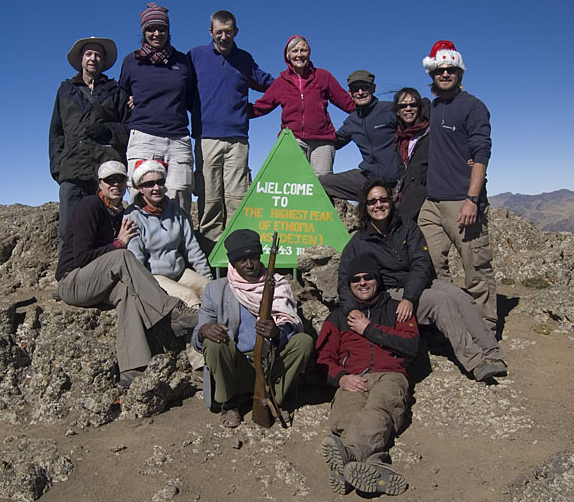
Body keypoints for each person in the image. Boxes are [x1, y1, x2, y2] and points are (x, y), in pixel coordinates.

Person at [339, 178, 507, 382]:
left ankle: (492, 353)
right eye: (372, 202)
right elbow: (344, 278)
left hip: (414, 287)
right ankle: (476, 362)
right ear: (365, 207)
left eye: (383, 199)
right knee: (440, 302)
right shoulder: (359, 242)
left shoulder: (407, 227)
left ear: (391, 201)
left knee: (459, 296)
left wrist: (410, 297)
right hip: (391, 294)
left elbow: (421, 263)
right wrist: (351, 309)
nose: (378, 205)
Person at [55, 161, 198, 388]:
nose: (115, 184)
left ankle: (132, 368)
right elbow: (82, 258)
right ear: (99, 184)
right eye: (109, 180)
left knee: (126, 292)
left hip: (97, 283)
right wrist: (118, 243)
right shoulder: (89, 206)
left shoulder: (118, 212)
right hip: (73, 281)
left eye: (120, 179)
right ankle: (173, 311)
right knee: (122, 256)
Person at [317, 254, 417, 496]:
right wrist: (341, 378)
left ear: (377, 280)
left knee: (379, 410)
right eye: (355, 279)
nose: (362, 283)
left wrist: (369, 329)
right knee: (347, 418)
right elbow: (322, 359)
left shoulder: (397, 310)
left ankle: (348, 456)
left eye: (368, 277)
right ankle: (374, 465)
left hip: (389, 375)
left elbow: (411, 345)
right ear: (349, 285)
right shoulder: (338, 317)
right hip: (352, 379)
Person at [192, 229, 313, 428]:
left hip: (271, 363)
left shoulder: (279, 285)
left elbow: (291, 327)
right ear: (232, 262)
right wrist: (205, 330)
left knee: (304, 341)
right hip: (236, 367)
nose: (250, 265)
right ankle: (230, 403)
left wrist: (277, 333)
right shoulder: (216, 290)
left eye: (254, 258)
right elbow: (197, 337)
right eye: (243, 260)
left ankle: (275, 399)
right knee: (213, 344)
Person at [418, 40, 497, 335]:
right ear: (433, 74)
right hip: (433, 202)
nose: (446, 74)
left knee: (475, 266)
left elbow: (481, 153)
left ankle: (485, 327)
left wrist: (472, 199)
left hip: (461, 201)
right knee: (430, 263)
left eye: (451, 69)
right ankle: (450, 322)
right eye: (440, 69)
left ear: (460, 73)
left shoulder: (473, 107)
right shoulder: (435, 107)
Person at [188, 10, 274, 251]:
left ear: (236, 32)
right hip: (206, 137)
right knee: (210, 198)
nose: (223, 37)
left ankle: (239, 252)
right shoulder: (195, 56)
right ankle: (210, 252)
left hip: (238, 139)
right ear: (210, 32)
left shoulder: (244, 59)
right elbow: (182, 91)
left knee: (237, 198)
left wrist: (256, 110)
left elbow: (271, 85)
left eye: (228, 32)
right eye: (218, 32)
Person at [49, 36, 130, 246]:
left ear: (103, 60)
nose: (93, 58)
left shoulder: (116, 91)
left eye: (97, 54)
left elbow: (130, 129)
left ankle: (103, 276)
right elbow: (56, 133)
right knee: (69, 231)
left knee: (105, 231)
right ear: (80, 58)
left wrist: (108, 130)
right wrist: (58, 169)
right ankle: (69, 276)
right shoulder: (65, 90)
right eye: (88, 54)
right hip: (71, 171)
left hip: (104, 173)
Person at [119, 2, 195, 212]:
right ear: (143, 32)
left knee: (180, 195)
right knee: (140, 197)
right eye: (151, 29)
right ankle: (139, 244)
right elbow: (121, 96)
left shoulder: (182, 61)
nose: (156, 33)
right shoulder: (131, 62)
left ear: (168, 31)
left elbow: (190, 99)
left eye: (162, 29)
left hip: (177, 139)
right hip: (143, 137)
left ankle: (180, 244)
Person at [250, 35, 354, 175]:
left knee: (322, 186)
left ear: (309, 53)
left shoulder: (323, 76)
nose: (299, 55)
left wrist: (370, 110)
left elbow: (346, 102)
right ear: (288, 55)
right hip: (293, 140)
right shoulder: (281, 82)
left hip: (322, 141)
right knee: (295, 185)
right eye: (295, 51)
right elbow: (261, 107)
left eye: (303, 50)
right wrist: (234, 110)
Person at [125, 160, 212, 309]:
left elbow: (192, 248)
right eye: (149, 184)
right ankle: (200, 332)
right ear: (140, 188)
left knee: (212, 289)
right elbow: (136, 258)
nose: (156, 187)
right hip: (155, 277)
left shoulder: (175, 210)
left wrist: (207, 277)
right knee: (190, 296)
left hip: (180, 272)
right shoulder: (133, 216)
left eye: (160, 182)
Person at [319, 70, 398, 201]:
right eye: (355, 89)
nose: (360, 92)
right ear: (350, 93)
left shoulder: (390, 110)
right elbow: (334, 142)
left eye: (365, 87)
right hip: (368, 179)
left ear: (373, 88)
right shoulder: (352, 121)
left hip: (396, 180)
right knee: (321, 183)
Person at [393, 88, 430, 220]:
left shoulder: (431, 132)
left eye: (413, 104)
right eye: (403, 106)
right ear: (397, 111)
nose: (408, 108)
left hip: (426, 202)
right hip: (404, 198)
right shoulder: (399, 138)